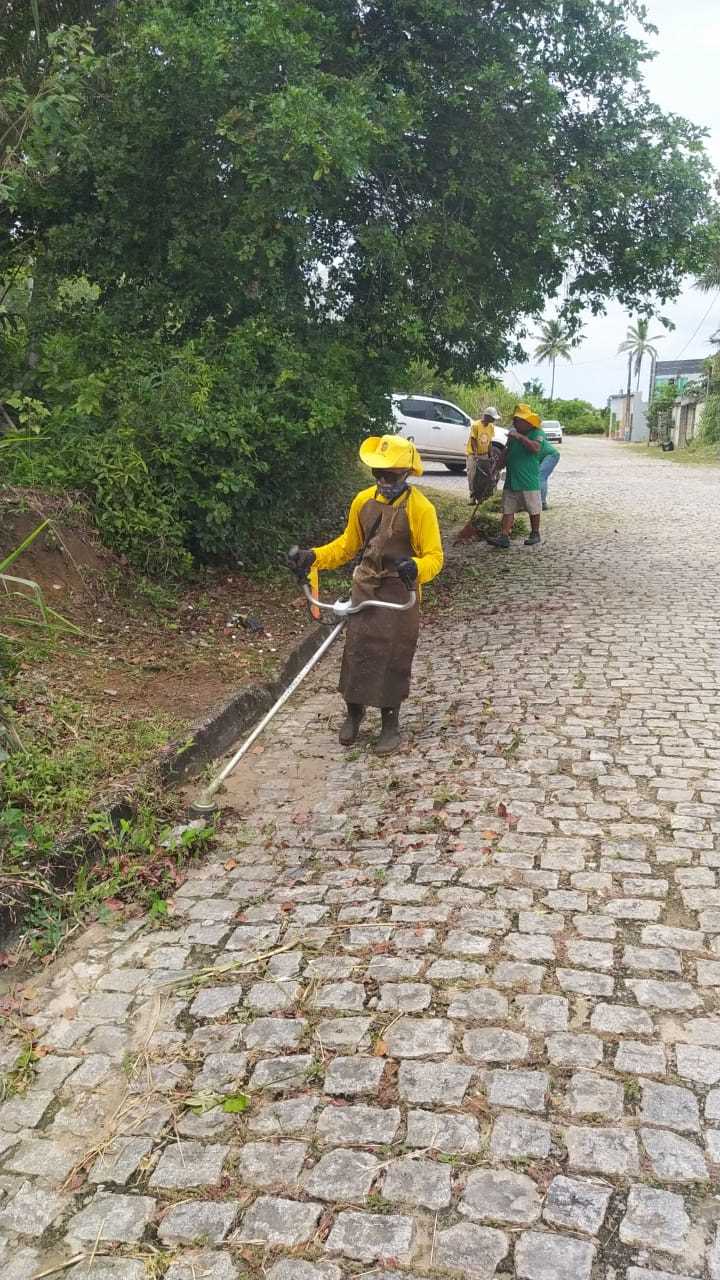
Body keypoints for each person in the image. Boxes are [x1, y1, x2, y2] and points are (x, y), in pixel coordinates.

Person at [288, 435, 443, 755]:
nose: (383, 480)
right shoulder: (362, 501)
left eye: (390, 475)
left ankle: (390, 723)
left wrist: (415, 567)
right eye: (377, 474)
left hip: (400, 592)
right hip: (366, 586)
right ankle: (354, 713)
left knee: (394, 655)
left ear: (406, 473)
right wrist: (313, 556)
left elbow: (435, 557)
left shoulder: (421, 509)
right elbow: (348, 545)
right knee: (357, 651)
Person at [487, 403, 543, 549]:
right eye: (514, 420)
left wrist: (519, 437)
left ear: (526, 422)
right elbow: (506, 452)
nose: (514, 423)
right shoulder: (512, 436)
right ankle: (504, 536)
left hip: (528, 479)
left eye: (517, 421)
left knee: (533, 507)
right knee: (508, 508)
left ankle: (535, 533)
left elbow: (535, 448)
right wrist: (496, 467)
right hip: (512, 479)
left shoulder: (537, 433)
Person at [466, 406, 501, 500]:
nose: (493, 420)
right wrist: (476, 455)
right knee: (472, 475)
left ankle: (483, 496)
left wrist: (490, 455)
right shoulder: (476, 425)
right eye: (492, 418)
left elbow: (489, 442)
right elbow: (473, 441)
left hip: (485, 454)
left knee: (485, 476)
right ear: (487, 416)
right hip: (473, 454)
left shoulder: (491, 426)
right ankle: (472, 496)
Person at [538, 433, 560, 510]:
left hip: (551, 455)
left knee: (541, 477)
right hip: (544, 456)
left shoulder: (537, 432)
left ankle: (542, 503)